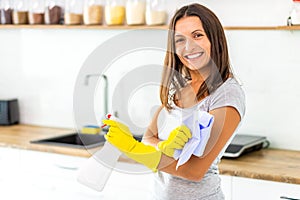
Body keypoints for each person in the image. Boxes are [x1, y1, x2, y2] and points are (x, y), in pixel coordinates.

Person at [103, 3, 245, 200]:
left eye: (197, 35)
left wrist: (133, 149)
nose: (189, 47)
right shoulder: (181, 86)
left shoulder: (226, 94)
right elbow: (150, 137)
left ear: (215, 39)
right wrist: (164, 147)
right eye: (180, 39)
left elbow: (195, 170)